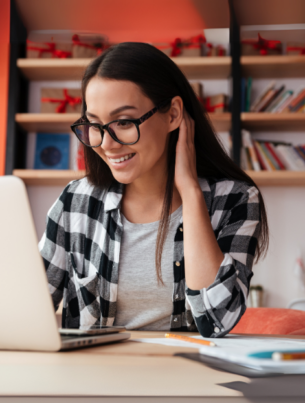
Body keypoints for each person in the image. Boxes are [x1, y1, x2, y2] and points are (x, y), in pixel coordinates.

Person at [38, 42, 268, 338]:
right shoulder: (75, 202)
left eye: (123, 121)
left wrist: (191, 193)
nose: (107, 144)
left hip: (188, 380)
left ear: (172, 114)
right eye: (95, 124)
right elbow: (28, 310)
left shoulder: (235, 199)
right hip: (93, 378)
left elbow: (217, 320)